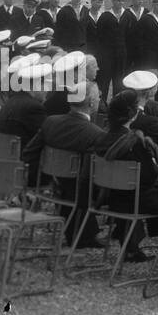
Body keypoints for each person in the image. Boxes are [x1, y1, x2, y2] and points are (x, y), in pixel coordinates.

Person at [22, 76, 105, 248]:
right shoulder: (95, 133)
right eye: (98, 97)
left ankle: (85, 233)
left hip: (52, 180)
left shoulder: (51, 122)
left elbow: (29, 152)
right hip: (81, 188)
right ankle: (86, 234)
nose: (99, 100)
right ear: (91, 103)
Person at [97, 90, 158, 267]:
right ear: (133, 114)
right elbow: (149, 177)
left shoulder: (102, 137)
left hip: (112, 198)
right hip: (139, 200)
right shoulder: (134, 143)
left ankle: (134, 247)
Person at [0, 54, 50, 182]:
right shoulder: (34, 108)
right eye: (45, 85)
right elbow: (47, 138)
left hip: (3, 167)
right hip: (23, 171)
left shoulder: (11, 101)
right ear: (36, 85)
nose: (47, 90)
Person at [122, 70, 158, 155]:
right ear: (149, 92)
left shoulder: (118, 110)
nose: (157, 89)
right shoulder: (148, 121)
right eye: (156, 87)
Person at [96, 0, 129, 99]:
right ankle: (102, 103)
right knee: (104, 80)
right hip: (107, 55)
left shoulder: (127, 15)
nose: (120, 3)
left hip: (121, 54)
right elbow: (99, 36)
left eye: (122, 1)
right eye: (118, 1)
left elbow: (130, 35)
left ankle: (117, 102)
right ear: (113, 1)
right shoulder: (105, 16)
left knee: (119, 80)